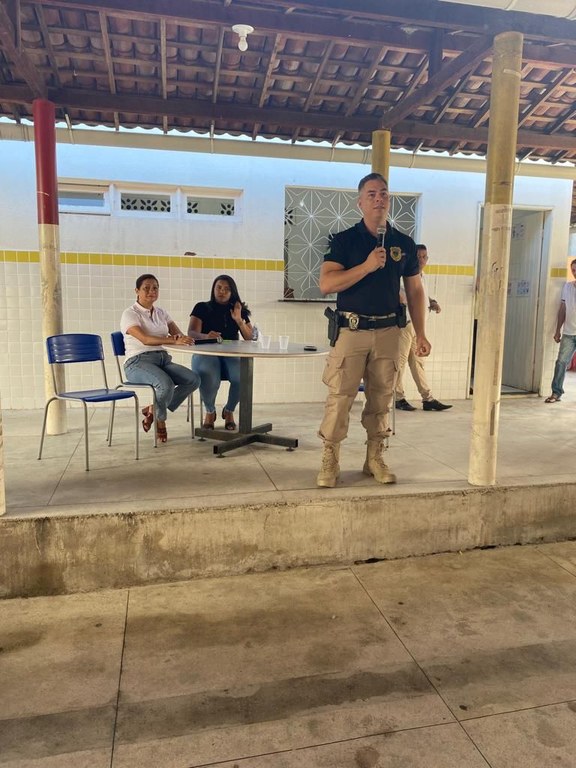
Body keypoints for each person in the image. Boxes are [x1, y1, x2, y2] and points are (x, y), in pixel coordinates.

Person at [317, 172, 431, 488]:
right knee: (340, 397)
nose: (378, 198)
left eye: (383, 193)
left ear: (389, 201)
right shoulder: (343, 240)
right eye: (371, 194)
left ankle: (374, 457)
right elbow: (326, 283)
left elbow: (416, 291)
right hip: (351, 331)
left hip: (389, 332)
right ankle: (331, 456)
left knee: (382, 398)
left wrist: (420, 333)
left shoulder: (403, 244)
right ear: (360, 202)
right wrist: (367, 266)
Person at [120, 274, 200, 443]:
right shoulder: (130, 314)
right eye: (146, 288)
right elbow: (146, 340)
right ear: (137, 291)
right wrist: (173, 340)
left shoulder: (162, 312)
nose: (151, 291)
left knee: (193, 379)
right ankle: (160, 420)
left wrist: (194, 338)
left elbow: (178, 335)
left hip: (162, 360)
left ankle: (153, 408)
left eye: (155, 288)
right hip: (137, 362)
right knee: (166, 385)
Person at [188, 274, 255, 430]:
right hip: (206, 353)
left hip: (231, 354)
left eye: (226, 289)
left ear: (232, 292)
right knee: (209, 377)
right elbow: (191, 332)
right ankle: (210, 412)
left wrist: (238, 320)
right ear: (213, 289)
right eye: (219, 287)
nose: (222, 291)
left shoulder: (239, 310)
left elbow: (250, 338)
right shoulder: (202, 307)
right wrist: (206, 336)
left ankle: (229, 411)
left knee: (243, 377)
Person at [395, 244, 453, 412]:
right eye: (418, 256)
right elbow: (403, 294)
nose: (421, 260)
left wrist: (431, 302)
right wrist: (400, 298)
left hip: (418, 327)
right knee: (400, 362)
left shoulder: (422, 275)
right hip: (405, 324)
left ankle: (427, 399)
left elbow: (420, 294)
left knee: (418, 363)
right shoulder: (403, 275)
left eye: (424, 257)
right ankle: (398, 398)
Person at [545, 258, 576, 403]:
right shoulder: (567, 287)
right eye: (573, 270)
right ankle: (556, 392)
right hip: (569, 333)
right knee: (561, 362)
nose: (575, 273)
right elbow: (563, 309)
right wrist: (558, 330)